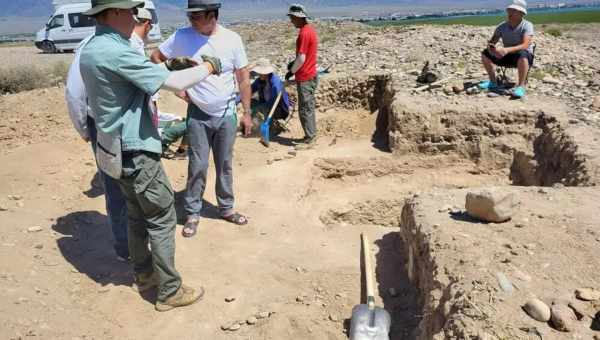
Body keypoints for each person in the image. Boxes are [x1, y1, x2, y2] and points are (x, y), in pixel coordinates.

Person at [79, 0, 221, 311]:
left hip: (114, 150)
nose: (135, 17)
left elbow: (136, 76)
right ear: (115, 12)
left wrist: (167, 65)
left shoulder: (92, 47)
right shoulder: (117, 50)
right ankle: (169, 291)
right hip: (136, 150)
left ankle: (144, 274)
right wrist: (208, 66)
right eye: (131, 11)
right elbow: (174, 85)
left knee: (135, 215)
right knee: (161, 216)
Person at [150, 0, 252, 238]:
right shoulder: (181, 37)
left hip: (226, 114)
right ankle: (193, 212)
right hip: (198, 115)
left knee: (225, 164)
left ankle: (226, 208)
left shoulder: (232, 39)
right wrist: (178, 89)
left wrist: (246, 112)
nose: (191, 21)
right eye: (190, 16)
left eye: (196, 16)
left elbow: (243, 78)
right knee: (198, 165)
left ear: (212, 15)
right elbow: (155, 58)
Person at [479, 0, 534, 99]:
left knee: (523, 53)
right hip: (507, 56)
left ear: (521, 13)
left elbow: (525, 45)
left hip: (523, 58)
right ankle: (493, 82)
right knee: (485, 53)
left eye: (513, 10)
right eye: (509, 10)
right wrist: (493, 48)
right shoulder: (502, 26)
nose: (510, 13)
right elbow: (491, 42)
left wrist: (506, 50)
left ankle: (521, 87)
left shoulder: (527, 25)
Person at [286, 4, 319, 149]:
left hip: (305, 76)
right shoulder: (309, 30)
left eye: (292, 18)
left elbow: (302, 58)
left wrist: (291, 71)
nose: (291, 21)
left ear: (299, 17)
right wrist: (294, 64)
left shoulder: (304, 33)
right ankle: (309, 136)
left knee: (306, 109)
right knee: (307, 107)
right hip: (309, 74)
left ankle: (310, 139)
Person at [248, 58, 290, 136]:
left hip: (279, 109)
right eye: (259, 73)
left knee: (262, 108)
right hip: (267, 104)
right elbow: (249, 90)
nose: (259, 75)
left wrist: (260, 107)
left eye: (261, 73)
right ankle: (256, 123)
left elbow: (274, 102)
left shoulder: (275, 83)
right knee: (250, 102)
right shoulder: (259, 81)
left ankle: (271, 126)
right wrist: (236, 100)